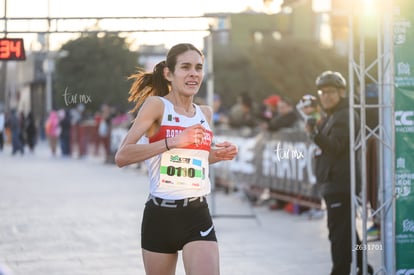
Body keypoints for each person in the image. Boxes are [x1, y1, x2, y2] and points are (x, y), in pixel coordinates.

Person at [115, 43, 238, 275]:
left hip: (196, 213)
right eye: (186, 67)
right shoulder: (157, 106)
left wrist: (218, 155)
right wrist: (173, 142)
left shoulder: (205, 113)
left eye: (199, 68)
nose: (194, 73)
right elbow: (122, 156)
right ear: (169, 73)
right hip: (160, 215)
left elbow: (197, 158)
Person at [304, 71, 373, 275]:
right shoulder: (334, 115)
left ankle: (341, 271)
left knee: (339, 236)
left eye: (331, 92)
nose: (326, 96)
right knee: (348, 232)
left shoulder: (344, 115)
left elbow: (337, 146)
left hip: (341, 183)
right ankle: (365, 267)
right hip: (334, 183)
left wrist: (314, 134)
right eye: (322, 92)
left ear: (342, 92)